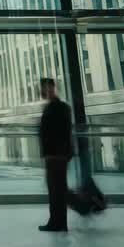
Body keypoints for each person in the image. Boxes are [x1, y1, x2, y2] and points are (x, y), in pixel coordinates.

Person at [38, 78, 73, 232]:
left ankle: (56, 223)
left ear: (49, 88)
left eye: (44, 88)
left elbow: (56, 132)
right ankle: (59, 222)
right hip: (59, 154)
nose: (42, 91)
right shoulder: (61, 107)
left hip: (55, 155)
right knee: (58, 189)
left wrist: (49, 152)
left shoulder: (55, 107)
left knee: (55, 190)